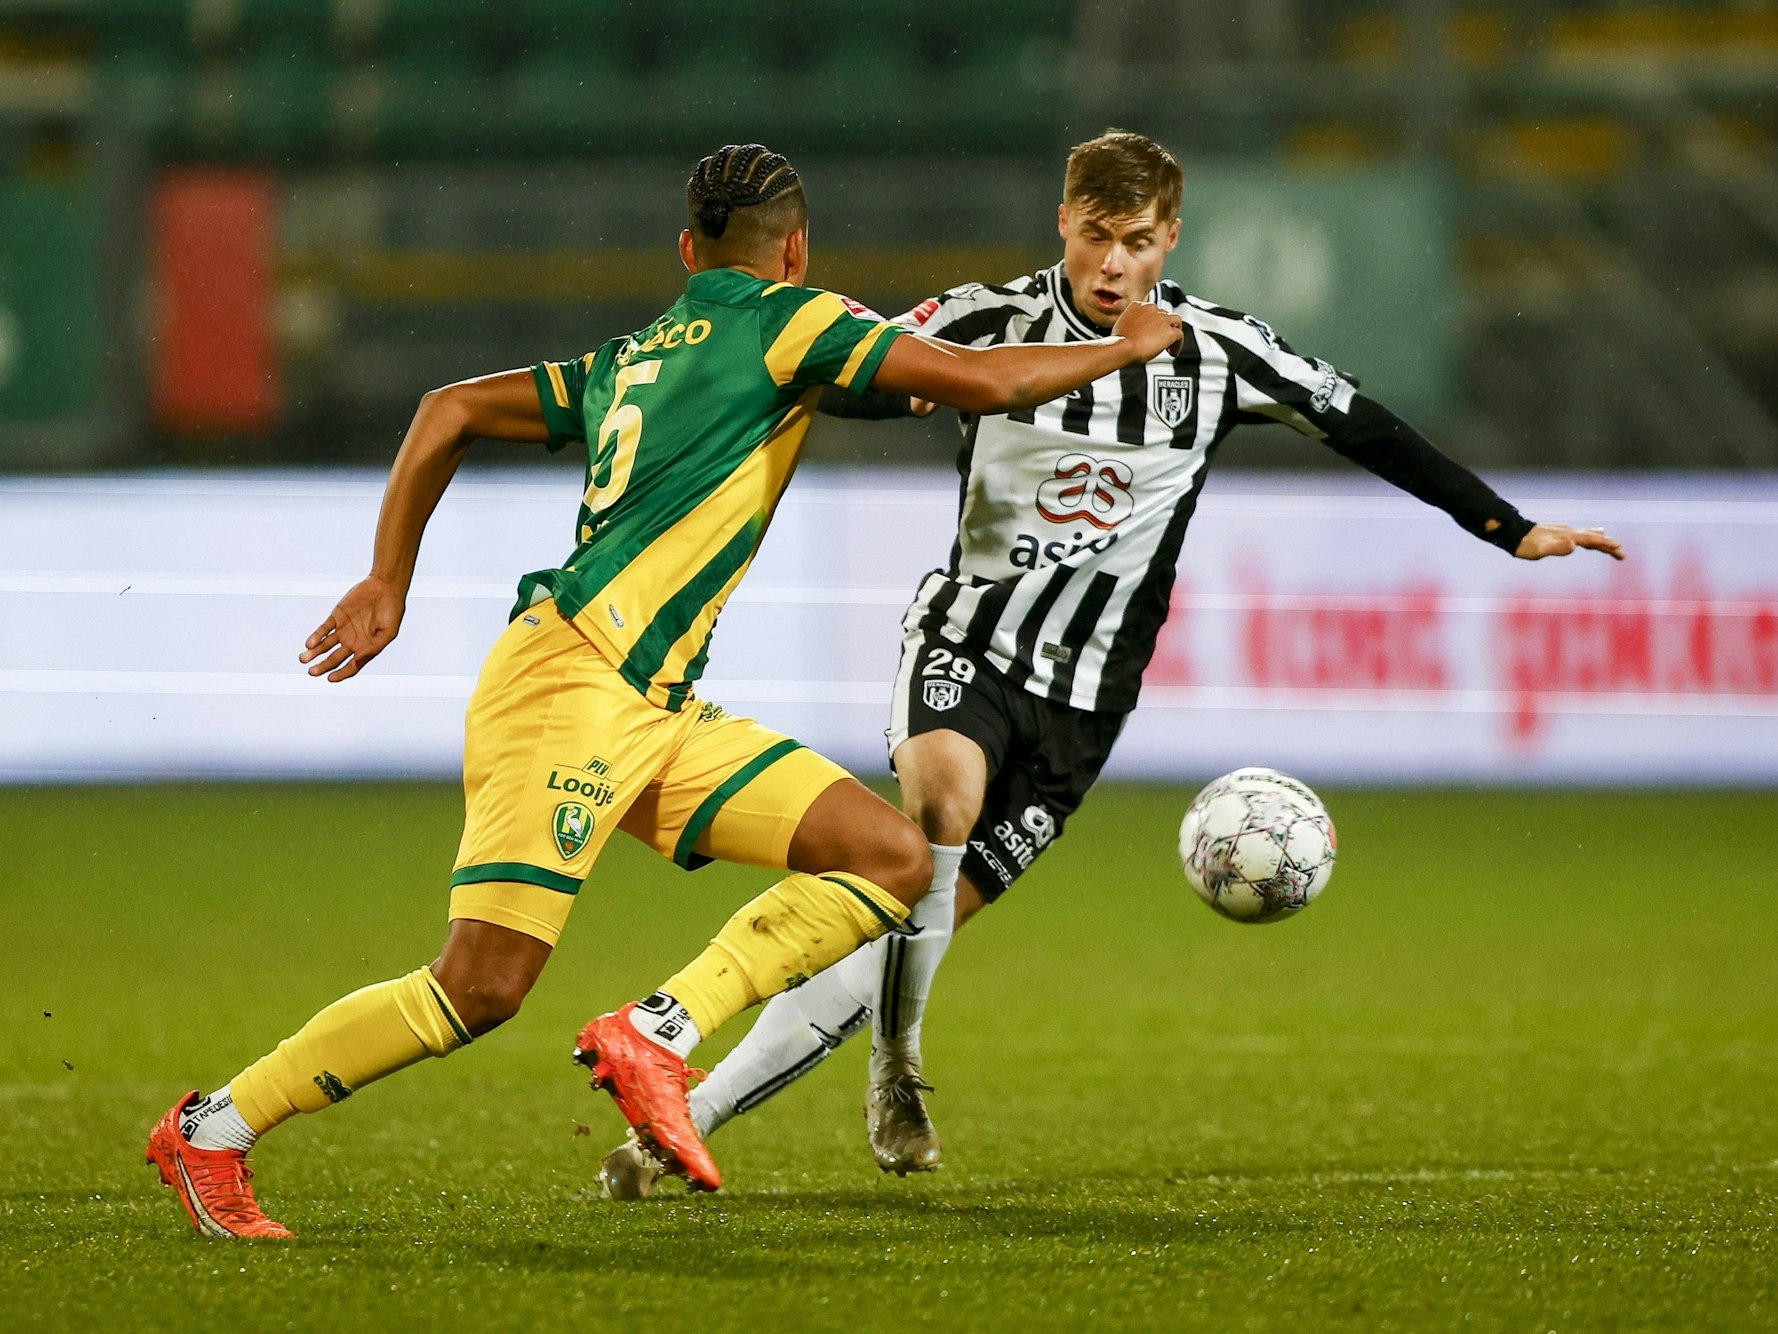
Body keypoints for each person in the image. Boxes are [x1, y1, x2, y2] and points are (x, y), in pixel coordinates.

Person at [143, 142, 1187, 1237]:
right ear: (796, 250)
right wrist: (1125, 346)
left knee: (886, 856)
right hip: (573, 683)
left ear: (687, 250)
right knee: (480, 986)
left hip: (651, 700)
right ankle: (214, 1125)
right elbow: (983, 381)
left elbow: (447, 407)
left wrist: (386, 578)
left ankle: (660, 1027)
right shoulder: (800, 319)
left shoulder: (630, 357)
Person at [599, 129, 1625, 1198]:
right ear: (1062, 221)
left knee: (916, 914)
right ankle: (871, 1069)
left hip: (1082, 704)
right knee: (933, 816)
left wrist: (1507, 527)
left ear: (1168, 238)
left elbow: (1364, 426)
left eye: (1135, 242)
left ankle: (794, 1082)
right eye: (1094, 235)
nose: (1111, 265)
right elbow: (835, 369)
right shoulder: (977, 321)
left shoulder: (1218, 351)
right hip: (967, 640)